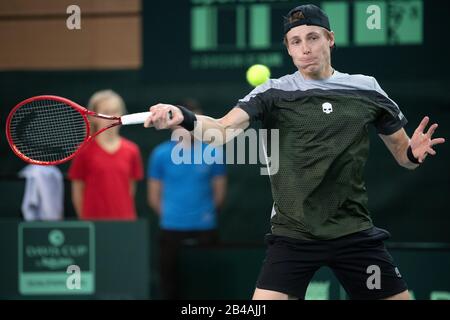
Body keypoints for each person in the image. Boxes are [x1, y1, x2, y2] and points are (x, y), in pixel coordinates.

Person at [143, 4, 445, 300]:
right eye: (296, 41)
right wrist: (184, 116)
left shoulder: (366, 89)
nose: (305, 48)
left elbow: (403, 156)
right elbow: (221, 131)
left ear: (330, 38)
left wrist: (413, 154)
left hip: (353, 232)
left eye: (313, 37)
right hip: (293, 236)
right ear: (288, 49)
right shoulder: (271, 93)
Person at [147, 101, 227, 299]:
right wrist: (174, 217)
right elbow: (153, 197)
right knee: (170, 287)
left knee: (207, 287)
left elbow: (220, 194)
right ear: (172, 122)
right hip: (171, 230)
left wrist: (201, 215)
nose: (188, 125)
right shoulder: (160, 154)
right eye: (183, 119)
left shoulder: (214, 152)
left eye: (193, 120)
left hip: (205, 230)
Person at [69, 90, 143, 220]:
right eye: (105, 112)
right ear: (93, 117)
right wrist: (86, 222)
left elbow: (130, 189)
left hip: (125, 222)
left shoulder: (132, 150)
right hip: (93, 223)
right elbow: (77, 191)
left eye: (115, 111)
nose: (111, 117)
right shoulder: (83, 150)